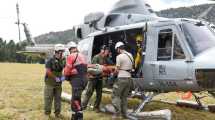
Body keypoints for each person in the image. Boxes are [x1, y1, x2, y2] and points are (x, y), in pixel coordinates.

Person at [82, 45, 111, 112]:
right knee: (89, 93)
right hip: (93, 79)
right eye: (106, 51)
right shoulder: (96, 57)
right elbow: (92, 68)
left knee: (99, 94)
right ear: (102, 50)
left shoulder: (105, 58)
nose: (107, 52)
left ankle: (96, 107)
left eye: (108, 51)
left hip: (100, 79)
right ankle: (83, 107)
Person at [63, 41, 88, 120]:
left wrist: (66, 77)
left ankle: (79, 116)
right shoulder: (82, 56)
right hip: (84, 79)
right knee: (76, 98)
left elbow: (67, 70)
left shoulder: (71, 56)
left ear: (69, 49)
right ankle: (74, 116)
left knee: (75, 99)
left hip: (77, 80)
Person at [112, 41, 133, 119]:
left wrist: (112, 76)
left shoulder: (119, 57)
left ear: (118, 49)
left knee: (115, 95)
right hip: (129, 79)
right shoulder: (130, 55)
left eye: (116, 49)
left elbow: (117, 70)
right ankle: (125, 114)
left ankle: (117, 114)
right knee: (124, 97)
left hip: (121, 78)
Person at [44, 44, 66, 119]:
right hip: (50, 83)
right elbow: (48, 71)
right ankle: (47, 114)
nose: (62, 53)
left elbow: (64, 70)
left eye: (62, 52)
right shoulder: (50, 60)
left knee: (58, 99)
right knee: (48, 98)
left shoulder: (62, 60)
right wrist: (55, 77)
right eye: (61, 52)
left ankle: (57, 113)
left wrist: (63, 77)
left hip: (58, 83)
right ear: (57, 52)